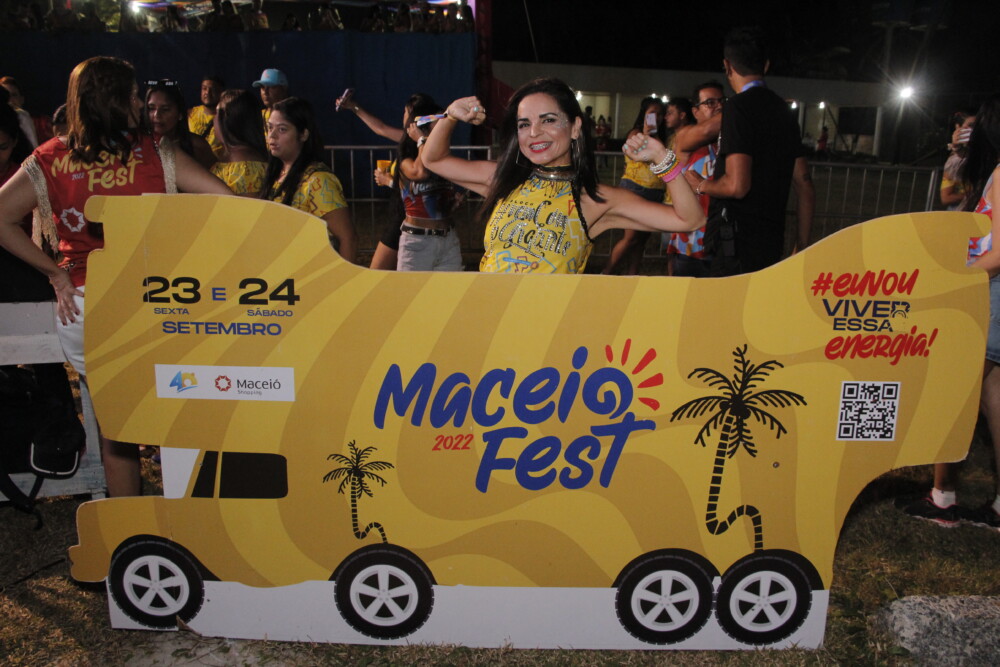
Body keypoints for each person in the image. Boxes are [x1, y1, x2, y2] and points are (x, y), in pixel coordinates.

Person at [0, 56, 232, 497]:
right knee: (176, 416)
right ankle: (184, 520)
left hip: (87, 307)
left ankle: (128, 525)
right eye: (134, 95)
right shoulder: (155, 151)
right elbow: (227, 201)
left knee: (118, 428)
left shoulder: (49, 158)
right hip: (154, 302)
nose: (141, 104)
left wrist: (55, 274)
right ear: (117, 100)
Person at [421, 78, 705, 274]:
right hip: (489, 320)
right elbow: (433, 159)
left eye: (548, 120)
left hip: (547, 333)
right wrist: (450, 117)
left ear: (575, 127)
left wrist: (662, 160)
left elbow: (690, 219)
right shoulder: (504, 179)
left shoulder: (595, 199)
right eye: (524, 124)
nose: (534, 133)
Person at [904, 93, 1000, 530]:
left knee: (951, 394)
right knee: (993, 400)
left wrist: (954, 281)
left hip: (988, 296)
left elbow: (998, 251)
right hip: (992, 296)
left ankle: (942, 498)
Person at [684, 27, 805, 277]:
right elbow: (805, 183)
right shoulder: (783, 110)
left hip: (736, 242)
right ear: (766, 65)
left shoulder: (737, 108)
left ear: (727, 66)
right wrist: (802, 245)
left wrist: (701, 185)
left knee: (724, 301)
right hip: (771, 238)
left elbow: (737, 185)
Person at [263, 96, 357, 263]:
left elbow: (348, 238)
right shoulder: (274, 174)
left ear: (303, 134)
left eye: (282, 129)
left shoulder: (318, 181)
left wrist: (342, 279)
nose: (272, 135)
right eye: (269, 127)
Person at [393, 94, 462, 271]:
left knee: (452, 289)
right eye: (437, 120)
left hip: (448, 240)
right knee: (412, 290)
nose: (441, 125)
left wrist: (452, 203)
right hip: (417, 242)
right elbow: (420, 172)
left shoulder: (442, 155)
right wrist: (422, 140)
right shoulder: (406, 158)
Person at [602, 97, 666, 275]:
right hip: (635, 189)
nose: (657, 117)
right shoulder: (635, 134)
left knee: (642, 240)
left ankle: (633, 274)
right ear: (644, 115)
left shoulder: (662, 136)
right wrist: (646, 135)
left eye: (661, 114)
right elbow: (638, 153)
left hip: (655, 191)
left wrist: (655, 136)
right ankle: (606, 272)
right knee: (630, 238)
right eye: (652, 113)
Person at [146, 80, 216, 169]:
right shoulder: (138, 145)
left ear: (180, 114)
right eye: (151, 108)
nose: (157, 115)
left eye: (165, 109)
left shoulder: (197, 147)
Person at [211, 89, 268, 196]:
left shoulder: (246, 168)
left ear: (229, 120)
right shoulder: (217, 152)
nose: (213, 119)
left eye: (217, 113)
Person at [941, 110, 976, 211]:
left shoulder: (987, 154)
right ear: (958, 128)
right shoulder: (954, 160)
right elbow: (946, 198)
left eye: (978, 125)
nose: (975, 129)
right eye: (971, 125)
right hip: (960, 212)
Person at [188, 76, 226, 159]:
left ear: (221, 92)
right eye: (204, 88)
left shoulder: (228, 117)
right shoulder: (189, 114)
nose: (207, 92)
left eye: (213, 89)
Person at [1, 76, 39, 148]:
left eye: (14, 95)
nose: (10, 100)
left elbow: (33, 147)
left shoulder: (22, 116)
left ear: (21, 99)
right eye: (5, 95)